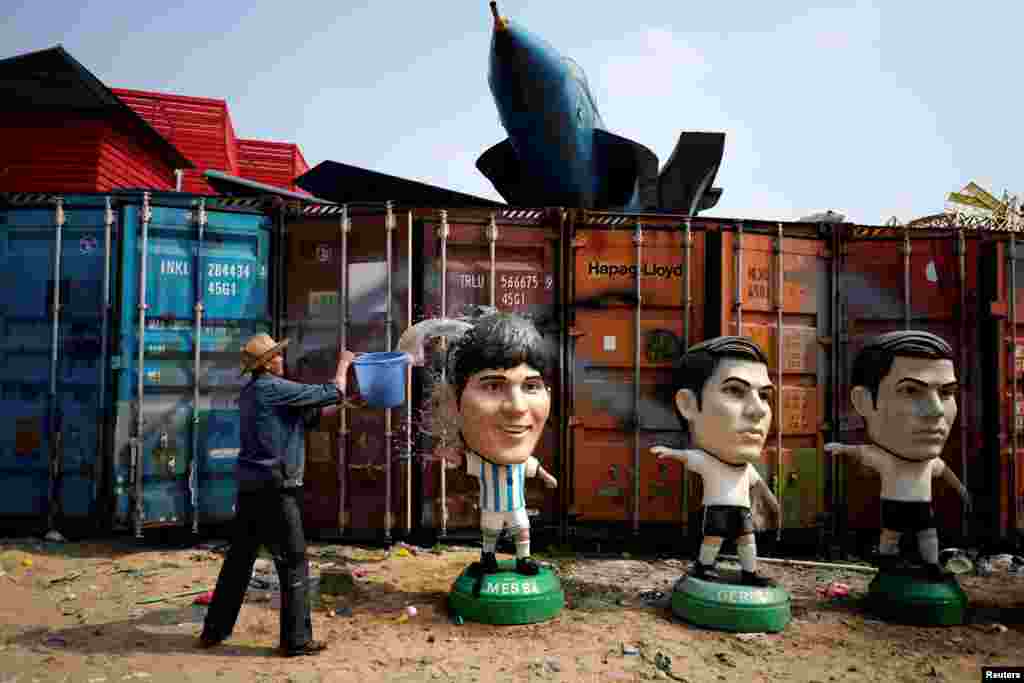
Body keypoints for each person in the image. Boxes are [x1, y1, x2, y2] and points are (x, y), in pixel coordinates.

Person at [198, 333, 355, 657]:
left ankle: (214, 630)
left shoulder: (253, 393)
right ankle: (296, 639)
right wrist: (345, 365)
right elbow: (331, 391)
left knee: (239, 562)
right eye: (278, 356)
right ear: (268, 363)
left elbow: (307, 416)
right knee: (294, 561)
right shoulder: (273, 387)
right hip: (276, 491)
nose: (283, 360)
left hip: (251, 488)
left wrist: (343, 405)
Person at [825, 330, 971, 579]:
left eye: (946, 393)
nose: (936, 411)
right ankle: (887, 561)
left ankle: (930, 565)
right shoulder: (886, 459)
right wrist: (840, 448)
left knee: (927, 534)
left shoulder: (929, 463)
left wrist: (963, 492)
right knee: (891, 534)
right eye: (912, 391)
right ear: (864, 402)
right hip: (894, 505)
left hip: (921, 506)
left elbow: (946, 475)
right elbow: (858, 452)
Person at [433, 312, 558, 578]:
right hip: (491, 508)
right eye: (492, 386)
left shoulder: (524, 464)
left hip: (516, 509)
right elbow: (463, 463)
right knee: (490, 532)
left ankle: (523, 559)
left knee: (521, 530)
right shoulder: (482, 465)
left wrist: (547, 479)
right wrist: (449, 455)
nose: (517, 407)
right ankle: (488, 557)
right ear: (454, 401)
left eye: (531, 386)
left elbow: (536, 470)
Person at [650, 336, 781, 587]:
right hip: (718, 510)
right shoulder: (709, 463)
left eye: (764, 395)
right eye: (735, 390)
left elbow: (759, 488)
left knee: (747, 540)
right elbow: (686, 457)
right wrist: (667, 452)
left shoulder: (746, 469)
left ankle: (749, 571)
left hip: (742, 510)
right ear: (688, 405)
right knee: (713, 539)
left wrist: (771, 504)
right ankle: (704, 565)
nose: (759, 410)